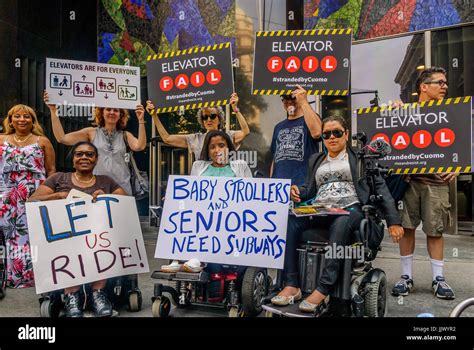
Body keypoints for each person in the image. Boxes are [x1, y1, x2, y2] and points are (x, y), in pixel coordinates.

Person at [270, 115, 404, 313]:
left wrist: (393, 221)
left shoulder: (360, 158)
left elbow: (381, 188)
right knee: (289, 221)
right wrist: (298, 191)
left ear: (346, 135)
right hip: (320, 208)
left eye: (337, 132)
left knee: (342, 221)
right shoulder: (316, 159)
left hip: (350, 208)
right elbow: (309, 189)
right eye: (326, 134)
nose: (331, 137)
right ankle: (292, 284)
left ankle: (323, 288)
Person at [29, 141, 127, 317]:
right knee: (70, 247)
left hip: (97, 236)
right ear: (73, 159)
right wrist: (58, 196)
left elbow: (125, 203)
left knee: (102, 245)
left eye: (89, 154)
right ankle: (71, 295)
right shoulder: (59, 179)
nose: (84, 157)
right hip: (64, 237)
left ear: (96, 160)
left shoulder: (106, 181)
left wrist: (107, 197)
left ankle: (97, 294)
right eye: (79, 154)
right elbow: (32, 201)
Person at [392, 67, 457, 300]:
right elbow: (392, 140)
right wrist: (393, 114)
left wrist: (457, 167)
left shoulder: (450, 113)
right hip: (408, 181)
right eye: (439, 82)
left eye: (445, 83)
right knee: (407, 228)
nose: (445, 87)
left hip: (437, 182)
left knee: (435, 230)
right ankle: (406, 277)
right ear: (423, 86)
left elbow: (458, 143)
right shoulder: (406, 111)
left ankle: (438, 279)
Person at [44, 91, 147, 195]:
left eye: (116, 110)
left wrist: (141, 120)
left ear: (120, 115)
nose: (112, 112)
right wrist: (53, 110)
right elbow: (62, 138)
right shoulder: (91, 132)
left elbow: (140, 146)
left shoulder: (125, 135)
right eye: (108, 109)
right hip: (97, 187)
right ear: (102, 112)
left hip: (122, 186)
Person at [0, 104, 56, 288]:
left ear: (33, 120)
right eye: (17, 116)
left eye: (27, 116)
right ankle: (7, 276)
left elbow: (51, 170)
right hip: (6, 193)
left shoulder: (43, 141)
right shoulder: (1, 139)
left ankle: (34, 277)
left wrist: (50, 195)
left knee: (33, 233)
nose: (22, 119)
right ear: (10, 120)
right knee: (7, 233)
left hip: (33, 192)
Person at [146, 93, 250, 160]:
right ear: (202, 121)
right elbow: (167, 138)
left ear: (219, 119)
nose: (209, 120)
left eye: (212, 116)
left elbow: (245, 131)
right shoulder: (196, 138)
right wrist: (154, 115)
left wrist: (235, 109)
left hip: (223, 181)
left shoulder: (228, 135)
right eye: (205, 117)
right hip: (202, 185)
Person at [270, 85, 322, 187]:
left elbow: (317, 133)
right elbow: (275, 158)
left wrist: (303, 101)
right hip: (280, 186)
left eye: (292, 97)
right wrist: (271, 182)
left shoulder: (309, 119)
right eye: (285, 98)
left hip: (303, 185)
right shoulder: (278, 127)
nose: (289, 101)